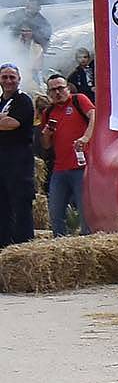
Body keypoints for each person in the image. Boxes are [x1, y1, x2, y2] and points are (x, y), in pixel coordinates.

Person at [36, 71, 92, 234]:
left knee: (84, 210)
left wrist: (86, 137)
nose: (57, 92)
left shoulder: (78, 100)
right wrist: (46, 134)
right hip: (59, 169)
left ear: (68, 88)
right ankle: (60, 244)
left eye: (60, 88)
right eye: (52, 90)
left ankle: (87, 243)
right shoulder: (48, 112)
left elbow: (94, 114)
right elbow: (46, 146)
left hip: (82, 166)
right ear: (49, 93)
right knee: (55, 211)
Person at [0, 61, 36, 248]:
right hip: (2, 160)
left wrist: (5, 121)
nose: (8, 81)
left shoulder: (23, 100)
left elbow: (12, 124)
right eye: (4, 77)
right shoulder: (2, 102)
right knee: (3, 206)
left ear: (19, 79)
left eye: (12, 77)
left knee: (21, 204)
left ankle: (24, 247)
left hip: (19, 160)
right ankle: (4, 247)